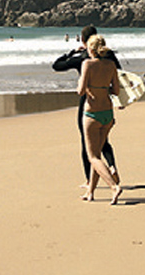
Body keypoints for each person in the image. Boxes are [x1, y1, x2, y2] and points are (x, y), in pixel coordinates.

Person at [52, 25, 121, 187]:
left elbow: (57, 65)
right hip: (106, 102)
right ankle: (111, 166)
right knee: (104, 141)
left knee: (87, 143)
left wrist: (72, 52)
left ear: (83, 41)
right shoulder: (110, 58)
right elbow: (120, 76)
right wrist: (121, 100)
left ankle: (89, 181)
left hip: (88, 104)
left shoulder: (83, 59)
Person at [77, 34, 123, 204]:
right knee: (97, 155)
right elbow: (116, 91)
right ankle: (90, 192)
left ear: (90, 48)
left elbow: (81, 91)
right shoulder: (111, 65)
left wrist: (85, 84)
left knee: (93, 157)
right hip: (108, 114)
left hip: (92, 113)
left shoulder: (87, 64)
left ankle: (114, 187)